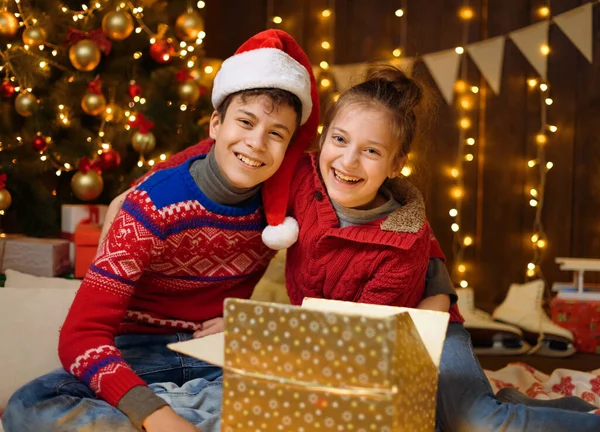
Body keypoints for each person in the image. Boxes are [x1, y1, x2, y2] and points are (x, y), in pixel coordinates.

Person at [1, 29, 320, 432]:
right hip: (140, 352)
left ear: (290, 145)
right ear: (216, 124)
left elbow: (370, 216)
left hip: (222, 356)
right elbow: (80, 335)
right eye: (245, 121)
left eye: (276, 133)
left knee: (314, 400)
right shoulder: (152, 204)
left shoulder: (293, 197)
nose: (257, 142)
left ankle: (181, 414)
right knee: (29, 405)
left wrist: (254, 320)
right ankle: (179, 417)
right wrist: (157, 414)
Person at [283, 64, 600, 432]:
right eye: (339, 140)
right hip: (352, 342)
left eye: (371, 150)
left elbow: (365, 337)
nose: (348, 161)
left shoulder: (404, 241)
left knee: (477, 423)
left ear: (396, 163)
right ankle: (513, 403)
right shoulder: (303, 179)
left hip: (424, 330)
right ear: (323, 137)